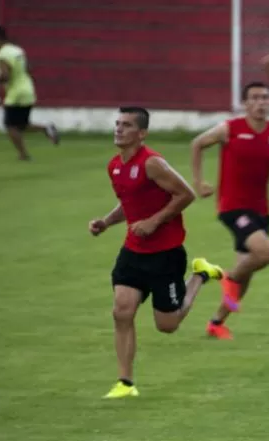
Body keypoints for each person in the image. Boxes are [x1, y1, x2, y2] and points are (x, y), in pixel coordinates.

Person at [89, 107, 224, 398]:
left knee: (168, 325)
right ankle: (125, 383)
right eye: (117, 124)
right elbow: (130, 204)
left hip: (166, 254)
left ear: (142, 133)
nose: (119, 129)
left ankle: (200, 275)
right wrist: (106, 222)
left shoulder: (153, 163)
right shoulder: (114, 166)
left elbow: (186, 194)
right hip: (133, 252)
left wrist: (154, 221)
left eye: (126, 125)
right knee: (121, 311)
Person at [190, 82, 269, 341]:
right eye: (254, 98)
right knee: (265, 253)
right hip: (232, 206)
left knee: (247, 272)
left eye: (265, 98)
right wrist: (199, 182)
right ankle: (224, 277)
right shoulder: (230, 129)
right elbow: (197, 144)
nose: (261, 102)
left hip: (261, 210)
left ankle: (216, 322)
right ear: (245, 103)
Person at [0, 25, 59, 160]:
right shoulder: (18, 50)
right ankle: (46, 128)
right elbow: (28, 68)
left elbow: (5, 76)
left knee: (10, 126)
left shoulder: (3, 54)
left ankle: (23, 154)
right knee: (22, 124)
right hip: (28, 89)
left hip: (16, 93)